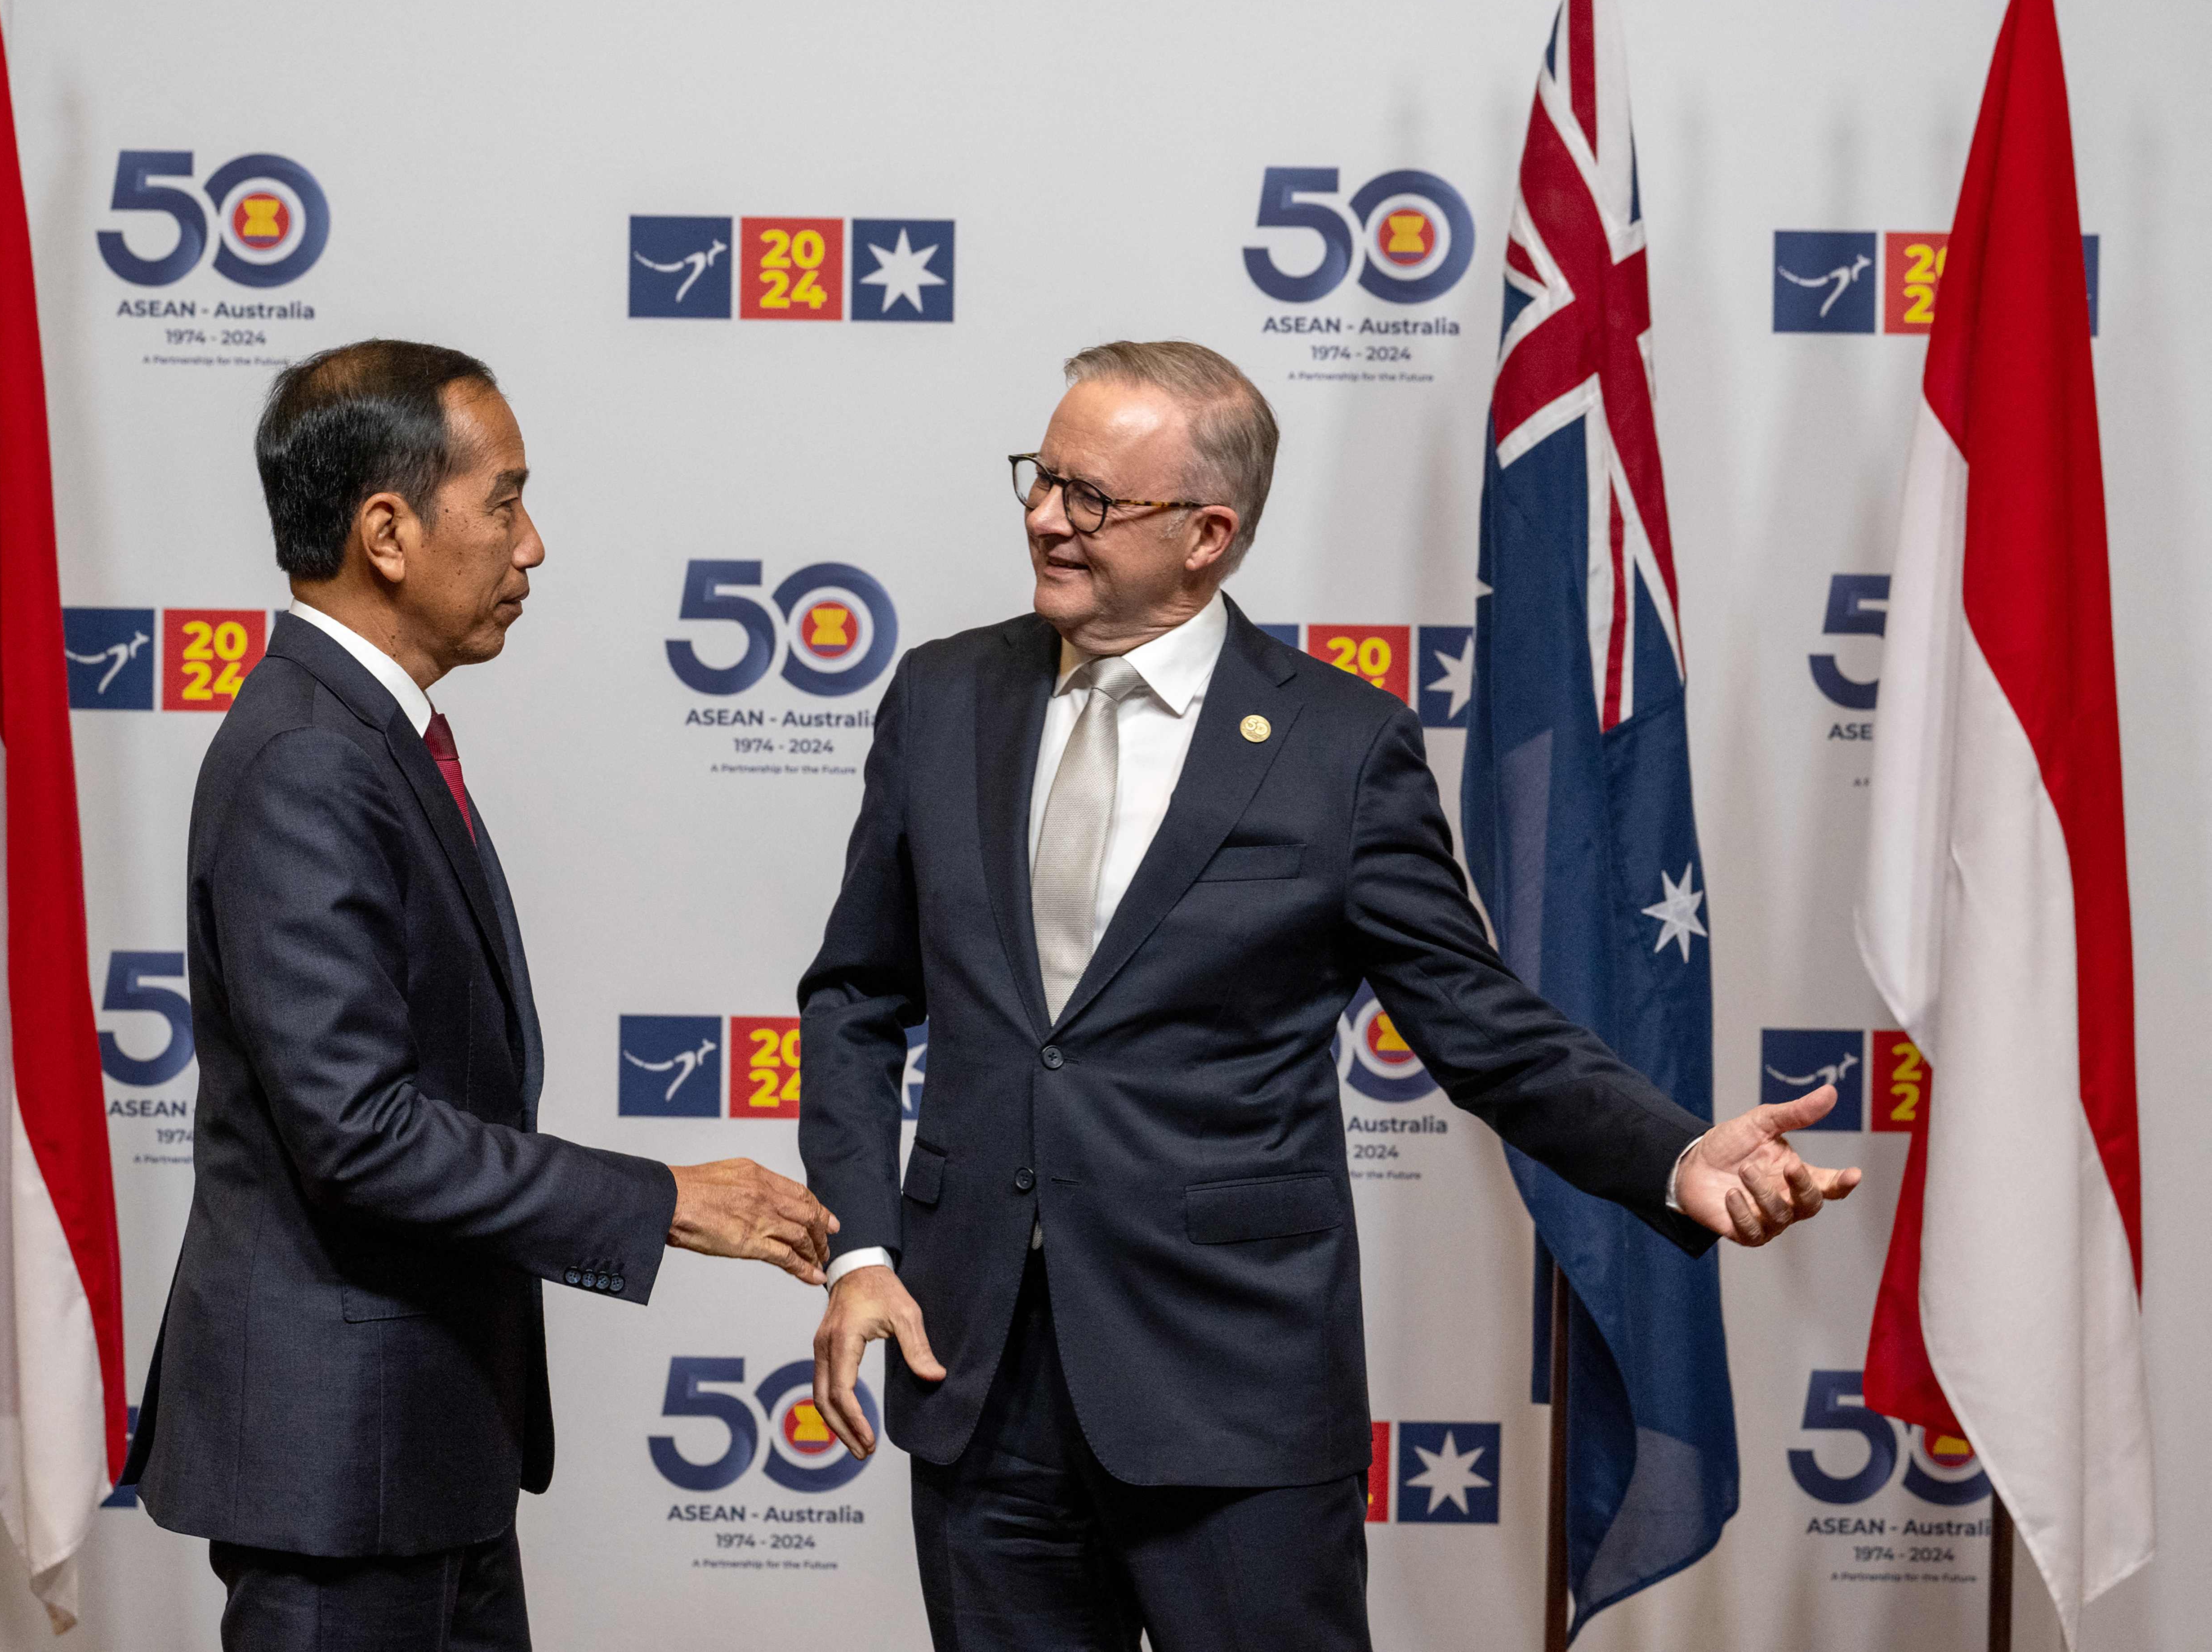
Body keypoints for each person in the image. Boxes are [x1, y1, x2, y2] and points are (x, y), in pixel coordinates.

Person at [798, 340, 1860, 1652]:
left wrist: (1675, 1154)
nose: (1044, 519)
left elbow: (1477, 1020)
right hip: (975, 1380)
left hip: (1230, 1392)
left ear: (1207, 534)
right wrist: (859, 1248)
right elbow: (855, 995)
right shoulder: (942, 695)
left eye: (1091, 497)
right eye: (1042, 478)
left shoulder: (1338, 749)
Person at [120, 339, 838, 1651]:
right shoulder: (308, 761)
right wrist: (663, 1201)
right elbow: (360, 1133)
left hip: (423, 1448)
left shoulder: (363, 737)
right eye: (504, 503)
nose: (533, 545)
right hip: (342, 1472)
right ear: (387, 532)